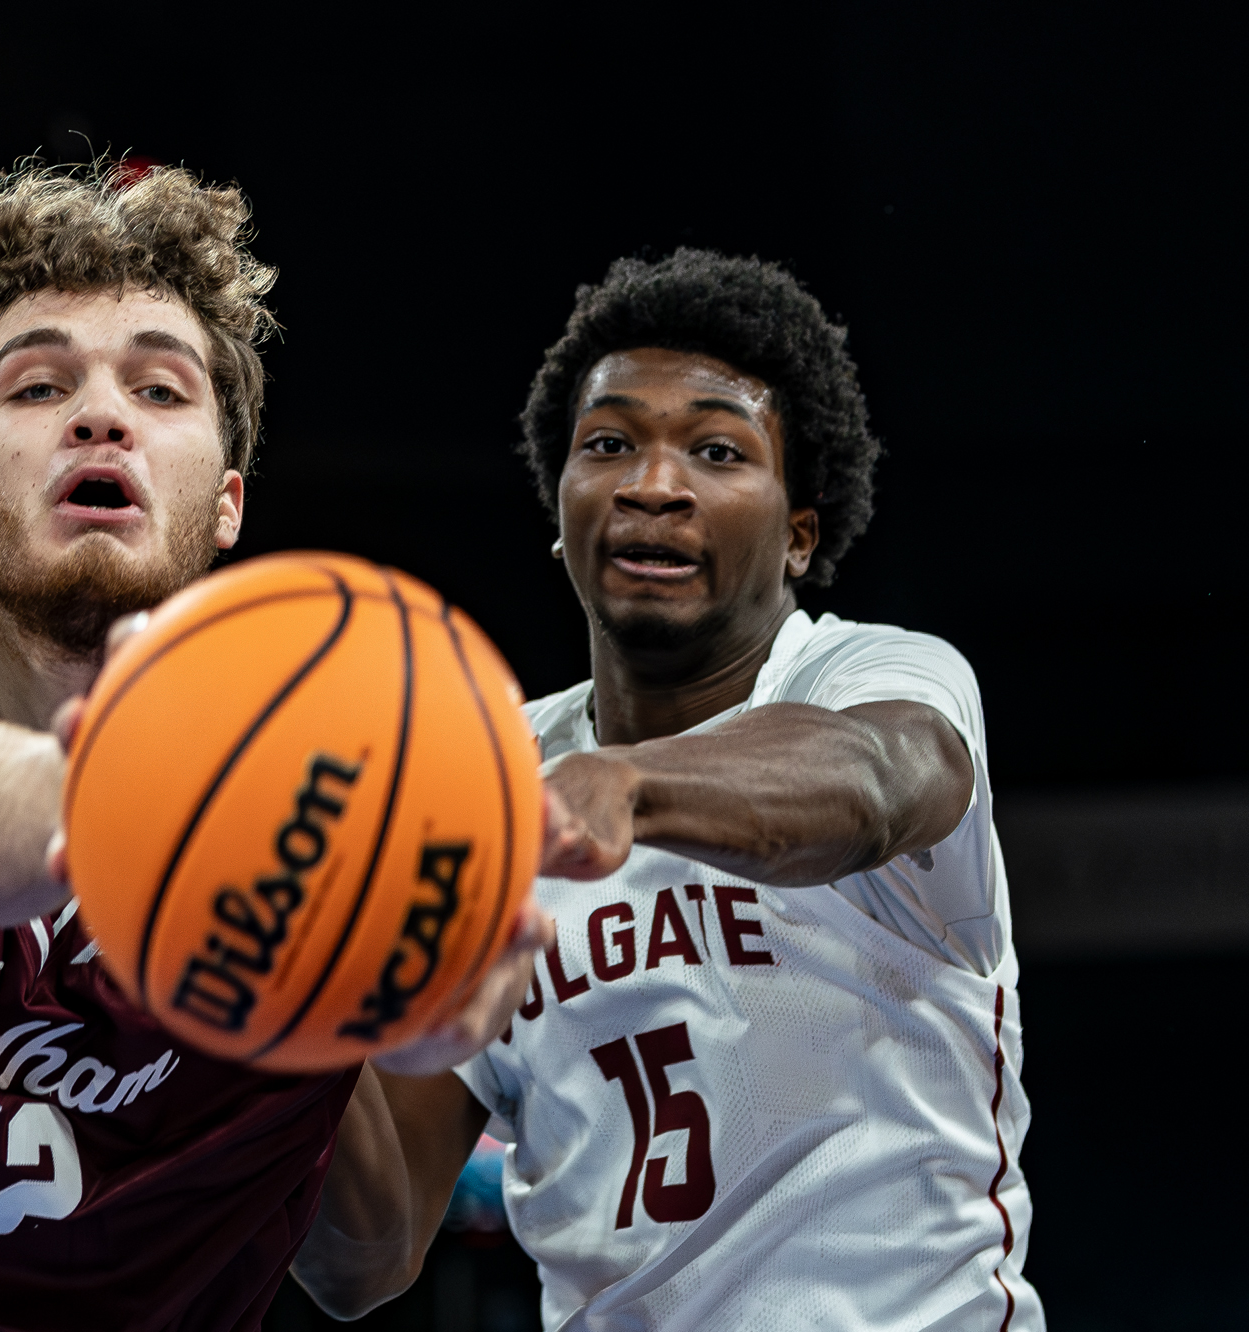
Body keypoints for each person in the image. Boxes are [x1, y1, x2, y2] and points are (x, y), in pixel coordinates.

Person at [0, 162, 538, 1332]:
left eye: (158, 388)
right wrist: (196, 816)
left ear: (225, 505)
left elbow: (359, 1265)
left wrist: (384, 998)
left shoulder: (298, 821)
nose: (100, 414)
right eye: (37, 385)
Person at [293, 250, 1041, 1330]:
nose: (653, 485)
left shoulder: (875, 674)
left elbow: (878, 780)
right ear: (560, 510)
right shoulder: (476, 784)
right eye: (607, 444)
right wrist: (286, 1021)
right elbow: (362, 1260)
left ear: (799, 534)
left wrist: (622, 786)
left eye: (716, 450)